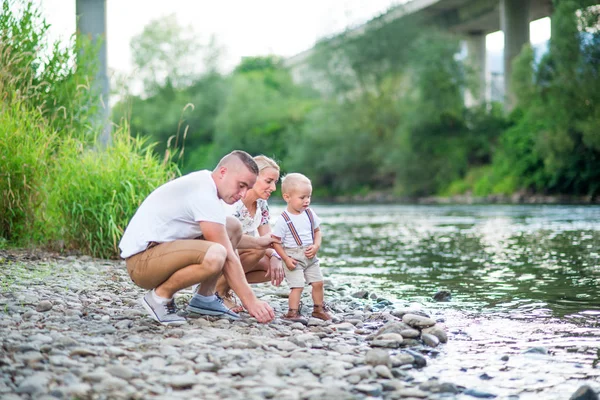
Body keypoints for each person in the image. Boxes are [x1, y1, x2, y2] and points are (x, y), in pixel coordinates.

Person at [119, 150, 277, 325]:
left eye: (247, 187)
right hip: (142, 264)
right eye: (241, 185)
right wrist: (251, 301)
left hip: (161, 253)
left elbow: (224, 234)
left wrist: (257, 243)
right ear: (223, 172)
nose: (243, 193)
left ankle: (205, 297)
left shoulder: (208, 186)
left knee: (232, 226)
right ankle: (159, 297)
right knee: (217, 253)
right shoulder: (203, 192)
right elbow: (227, 254)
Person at [215, 155, 285, 312]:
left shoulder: (261, 203)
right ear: (253, 177)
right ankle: (216, 292)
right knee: (258, 249)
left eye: (275, 182)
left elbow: (268, 237)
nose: (273, 188)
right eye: (269, 181)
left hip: (239, 255)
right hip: (219, 254)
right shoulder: (234, 201)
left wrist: (275, 256)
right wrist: (266, 248)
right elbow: (225, 238)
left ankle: (228, 289)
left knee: (282, 264)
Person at [271, 173, 332, 321]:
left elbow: (317, 232)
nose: (306, 201)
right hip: (293, 257)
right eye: (302, 197)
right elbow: (276, 242)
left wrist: (316, 245)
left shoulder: (310, 214)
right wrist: (285, 258)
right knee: (297, 286)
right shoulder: (283, 220)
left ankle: (318, 308)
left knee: (318, 283)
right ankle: (292, 312)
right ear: (287, 197)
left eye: (308, 197)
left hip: (310, 255)